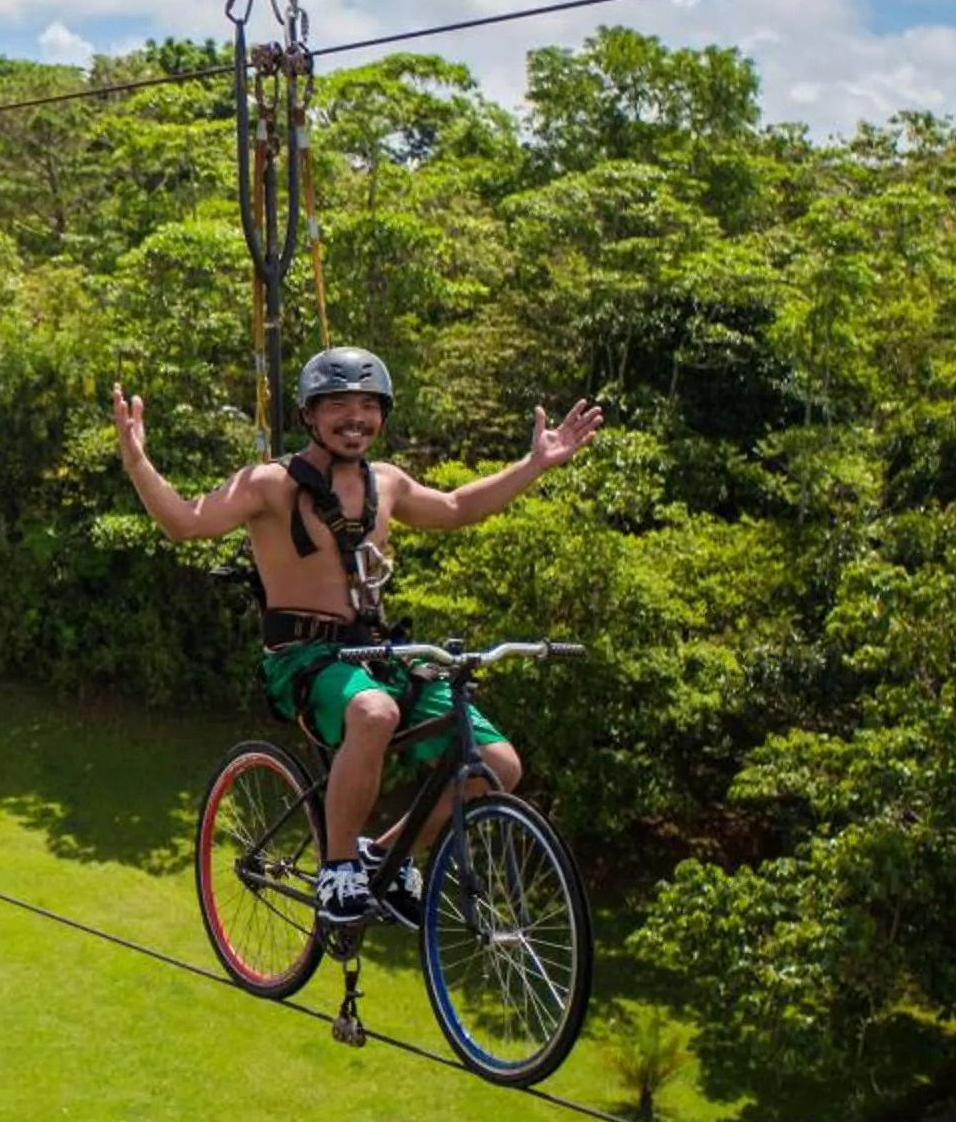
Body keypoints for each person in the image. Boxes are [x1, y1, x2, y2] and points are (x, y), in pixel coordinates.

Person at [113, 347, 603, 923]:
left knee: (498, 765)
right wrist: (138, 462)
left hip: (377, 654)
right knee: (372, 712)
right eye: (339, 406)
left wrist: (534, 464)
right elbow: (185, 522)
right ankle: (337, 867)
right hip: (305, 660)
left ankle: (383, 853)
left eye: (368, 407)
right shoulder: (270, 485)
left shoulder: (386, 483)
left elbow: (455, 506)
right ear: (310, 416)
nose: (355, 419)